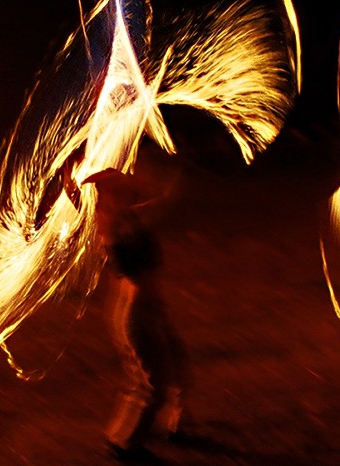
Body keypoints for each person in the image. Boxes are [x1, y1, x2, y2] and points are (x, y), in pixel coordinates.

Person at [82, 163, 191, 464]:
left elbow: (152, 203)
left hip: (143, 311)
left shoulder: (126, 222)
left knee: (149, 380)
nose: (127, 189)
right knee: (151, 386)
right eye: (116, 190)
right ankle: (125, 445)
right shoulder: (113, 229)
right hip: (138, 314)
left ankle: (122, 436)